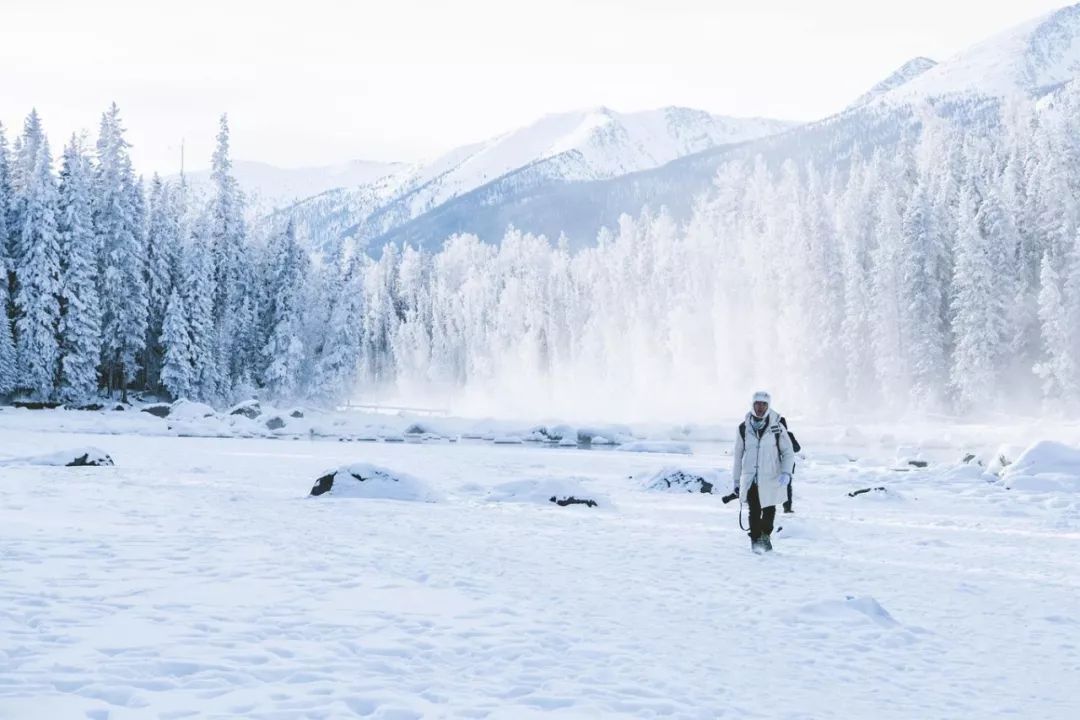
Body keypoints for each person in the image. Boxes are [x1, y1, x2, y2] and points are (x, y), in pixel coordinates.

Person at [732, 390, 795, 553]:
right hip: (751, 477)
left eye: (764, 404)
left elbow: (788, 451)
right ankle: (755, 540)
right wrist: (736, 481)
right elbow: (738, 456)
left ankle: (765, 536)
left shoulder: (777, 426)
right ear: (752, 405)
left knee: (768, 508)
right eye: (757, 404)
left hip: (770, 476)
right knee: (754, 509)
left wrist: (786, 473)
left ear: (768, 406)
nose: (760, 407)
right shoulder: (743, 428)